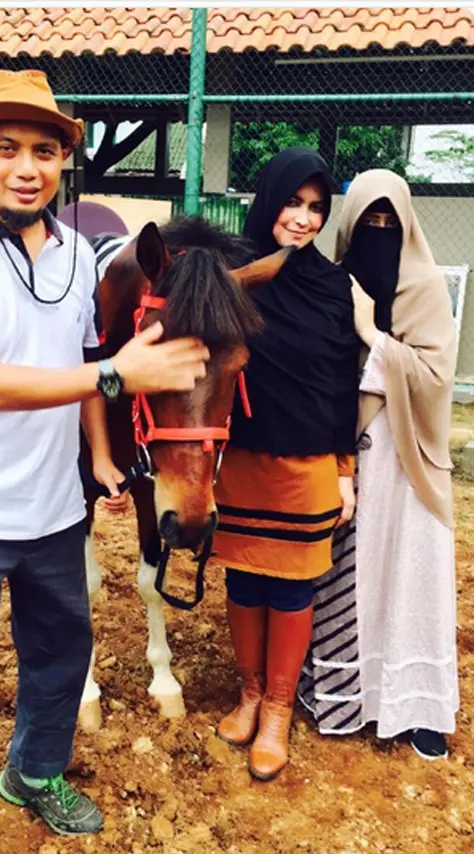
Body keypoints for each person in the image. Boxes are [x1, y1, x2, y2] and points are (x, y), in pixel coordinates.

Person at [0, 69, 210, 854]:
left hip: (53, 506)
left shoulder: (74, 255)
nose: (27, 166)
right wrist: (118, 376)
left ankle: (32, 774)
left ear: (65, 159)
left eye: (44, 148)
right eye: (6, 148)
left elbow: (79, 362)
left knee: (62, 656)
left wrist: (101, 456)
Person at [298, 169, 459, 760]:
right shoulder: (330, 285)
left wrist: (373, 334)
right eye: (370, 223)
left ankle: (417, 705)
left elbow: (438, 375)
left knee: (410, 576)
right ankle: (340, 692)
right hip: (346, 455)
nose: (381, 234)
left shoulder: (426, 288)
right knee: (344, 577)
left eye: (391, 223)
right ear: (350, 226)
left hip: (409, 455)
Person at [213, 147, 360, 780]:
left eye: (316, 209)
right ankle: (248, 695)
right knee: (244, 580)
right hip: (241, 458)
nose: (302, 219)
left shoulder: (332, 287)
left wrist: (345, 471)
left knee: (294, 587)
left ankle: (277, 711)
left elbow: (341, 383)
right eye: (292, 204)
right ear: (267, 200)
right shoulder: (226, 274)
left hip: (307, 464)